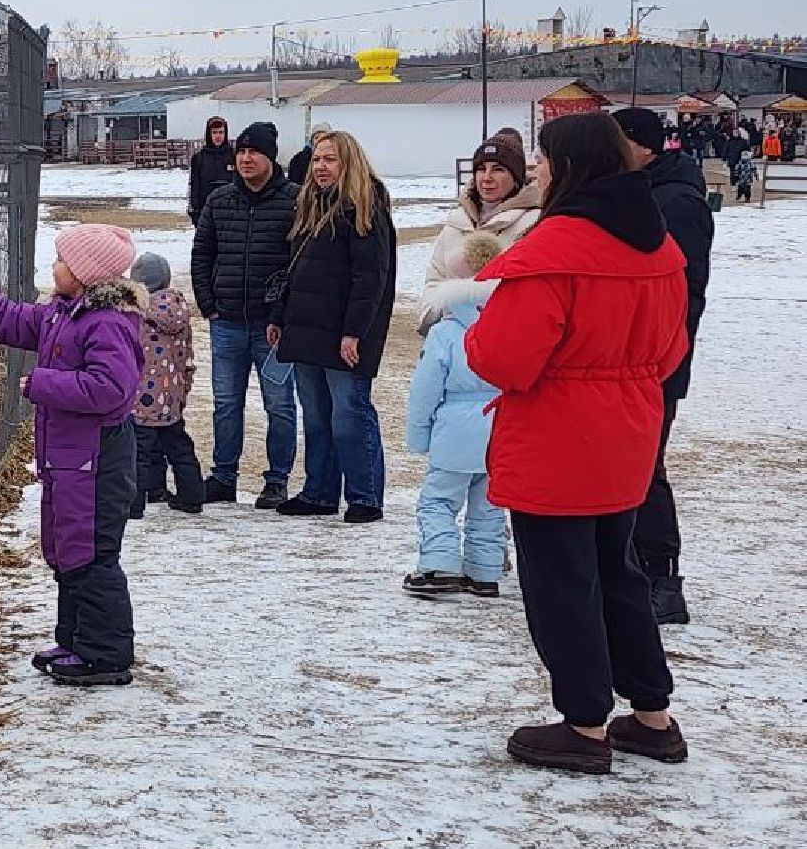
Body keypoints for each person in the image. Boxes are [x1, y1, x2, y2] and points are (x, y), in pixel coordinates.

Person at [466, 112, 690, 775]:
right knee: (618, 572)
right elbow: (672, 346)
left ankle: (584, 724)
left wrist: (476, 330)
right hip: (627, 430)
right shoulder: (656, 244)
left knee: (561, 583)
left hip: (557, 436)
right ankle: (652, 716)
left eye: (541, 158)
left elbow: (503, 357)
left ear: (566, 167)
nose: (535, 168)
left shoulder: (554, 249)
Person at [0, 225, 143, 687]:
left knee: (92, 555)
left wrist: (42, 385)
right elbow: (9, 318)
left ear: (87, 275)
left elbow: (111, 390)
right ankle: (74, 641)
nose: (55, 268)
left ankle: (105, 655)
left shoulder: (106, 323)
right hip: (71, 461)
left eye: (63, 261)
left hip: (96, 460)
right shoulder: (63, 315)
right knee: (70, 551)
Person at [613, 107, 714, 625]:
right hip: (629, 360)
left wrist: (661, 353)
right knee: (624, 468)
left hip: (657, 363)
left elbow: (683, 293)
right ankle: (630, 570)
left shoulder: (676, 201)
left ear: (642, 146)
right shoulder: (639, 191)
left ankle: (664, 578)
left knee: (645, 469)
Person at [266, 131, 396, 524]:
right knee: (317, 416)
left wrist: (354, 331)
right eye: (317, 159)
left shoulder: (364, 209)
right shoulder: (311, 206)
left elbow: (369, 279)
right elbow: (295, 271)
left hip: (345, 333)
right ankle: (320, 492)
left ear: (349, 163)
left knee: (349, 415)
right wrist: (280, 317)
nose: (321, 167)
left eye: (330, 160)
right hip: (307, 327)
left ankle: (364, 495)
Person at [191, 122, 300, 509]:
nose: (245, 158)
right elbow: (202, 252)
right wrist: (208, 301)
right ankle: (223, 475)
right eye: (241, 152)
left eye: (254, 152)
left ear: (270, 157)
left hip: (272, 326)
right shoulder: (219, 201)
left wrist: (285, 313)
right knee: (226, 403)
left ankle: (277, 480)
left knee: (280, 404)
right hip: (227, 321)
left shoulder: (295, 201)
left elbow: (300, 262)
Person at [403, 231, 507, 596]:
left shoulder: (445, 332)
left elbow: (426, 388)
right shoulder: (509, 325)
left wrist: (418, 433)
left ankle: (439, 564)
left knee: (439, 500)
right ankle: (485, 571)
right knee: (490, 503)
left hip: (455, 430)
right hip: (501, 426)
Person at [418, 136, 543, 334]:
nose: (487, 177)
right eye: (481, 169)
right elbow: (435, 277)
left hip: (505, 336)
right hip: (451, 334)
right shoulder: (457, 221)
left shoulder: (533, 224)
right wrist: (435, 318)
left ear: (516, 177)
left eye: (498, 169)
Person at [129, 252, 203, 516]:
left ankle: (134, 503)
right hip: (171, 392)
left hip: (141, 394)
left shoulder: (135, 312)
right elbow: (186, 354)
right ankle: (192, 496)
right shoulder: (180, 309)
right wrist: (184, 385)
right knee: (178, 446)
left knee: (137, 451)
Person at [187, 116, 236, 226]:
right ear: (209, 134)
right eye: (214, 132)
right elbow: (194, 188)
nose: (218, 136)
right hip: (206, 215)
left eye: (221, 132)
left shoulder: (234, 157)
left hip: (231, 215)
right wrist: (195, 214)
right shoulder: (199, 158)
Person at [287, 122, 333, 187]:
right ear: (311, 141)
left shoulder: (338, 158)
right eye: (316, 137)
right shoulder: (298, 160)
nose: (320, 140)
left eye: (324, 137)